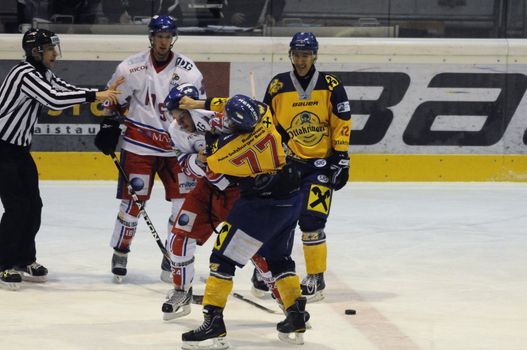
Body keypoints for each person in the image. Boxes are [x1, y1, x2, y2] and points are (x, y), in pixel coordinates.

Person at [176, 94, 308, 349]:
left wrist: (211, 139)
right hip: (290, 200)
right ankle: (296, 315)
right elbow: (228, 105)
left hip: (259, 205)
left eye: (229, 120)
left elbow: (208, 162)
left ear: (239, 126)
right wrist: (199, 105)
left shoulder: (226, 152)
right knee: (279, 260)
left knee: (222, 259)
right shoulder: (265, 116)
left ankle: (213, 321)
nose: (224, 119)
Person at [0, 28, 121, 291]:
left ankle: (24, 259)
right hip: (2, 149)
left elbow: (65, 88)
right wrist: (94, 96)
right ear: (36, 51)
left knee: (34, 206)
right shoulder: (23, 74)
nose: (55, 53)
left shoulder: (44, 73)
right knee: (17, 208)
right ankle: (4, 263)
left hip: (18, 150)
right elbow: (53, 98)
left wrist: (101, 92)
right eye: (50, 48)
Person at [93, 15, 206, 283]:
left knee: (182, 208)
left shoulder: (189, 71)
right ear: (151, 37)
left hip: (177, 149)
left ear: (173, 38)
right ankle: (121, 251)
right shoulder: (130, 68)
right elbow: (112, 101)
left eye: (168, 37)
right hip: (139, 147)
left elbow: (197, 110)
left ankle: (174, 258)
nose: (163, 42)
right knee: (132, 203)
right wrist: (109, 124)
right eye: (159, 37)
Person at [254, 31, 352, 303]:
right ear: (290, 55)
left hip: (320, 165)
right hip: (287, 166)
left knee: (312, 221)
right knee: (277, 219)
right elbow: (267, 123)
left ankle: (315, 277)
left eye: (305, 55)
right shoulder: (278, 85)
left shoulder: (331, 85)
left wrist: (342, 158)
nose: (300, 60)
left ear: (315, 55)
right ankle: (269, 270)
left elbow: (342, 121)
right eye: (296, 54)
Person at [160, 83, 240, 321]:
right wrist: (203, 161)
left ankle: (289, 305)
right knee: (179, 235)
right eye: (174, 116)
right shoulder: (175, 130)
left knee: (251, 247)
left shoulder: (220, 119)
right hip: (207, 187)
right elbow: (185, 163)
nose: (178, 122)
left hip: (237, 190)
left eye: (182, 115)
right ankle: (181, 292)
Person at [219, 0, 285, 27]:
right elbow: (223, 6)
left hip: (263, 31)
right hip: (235, 31)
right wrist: (231, 16)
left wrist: (272, 15)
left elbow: (278, 3)